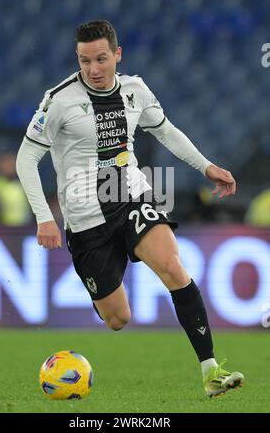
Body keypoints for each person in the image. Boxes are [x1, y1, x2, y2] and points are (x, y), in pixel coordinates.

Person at [16, 20, 244, 397]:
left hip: (131, 195)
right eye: (84, 60)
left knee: (173, 267)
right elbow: (26, 159)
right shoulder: (58, 101)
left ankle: (211, 370)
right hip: (86, 219)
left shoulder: (135, 90)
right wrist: (44, 217)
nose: (93, 69)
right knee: (118, 318)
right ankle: (106, 290)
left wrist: (207, 167)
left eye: (101, 59)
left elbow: (166, 131)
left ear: (117, 55)